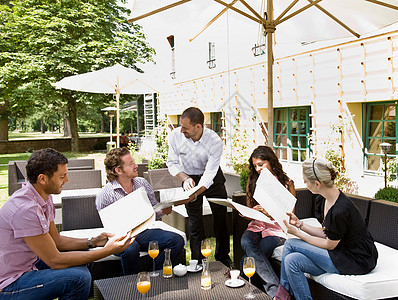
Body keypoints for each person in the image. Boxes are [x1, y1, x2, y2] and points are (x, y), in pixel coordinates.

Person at [0, 148, 133, 300]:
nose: (67, 180)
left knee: (83, 261)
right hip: (8, 284)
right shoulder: (25, 210)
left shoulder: (43, 197)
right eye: (62, 176)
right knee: (79, 278)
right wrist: (108, 250)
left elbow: (57, 241)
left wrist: (93, 242)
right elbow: (54, 260)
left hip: (30, 265)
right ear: (42, 179)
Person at [275, 158, 378, 300]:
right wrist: (300, 224)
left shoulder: (340, 209)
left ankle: (282, 296)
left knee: (291, 244)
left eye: (305, 181)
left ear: (317, 184)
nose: (304, 183)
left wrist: (297, 234)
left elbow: (329, 244)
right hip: (339, 252)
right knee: (291, 260)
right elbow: (327, 233)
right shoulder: (324, 199)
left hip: (355, 259)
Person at [96, 147, 185, 275]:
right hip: (120, 237)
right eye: (131, 164)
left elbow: (153, 209)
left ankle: (155, 274)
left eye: (134, 162)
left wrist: (163, 210)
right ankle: (133, 285)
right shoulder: (105, 194)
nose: (136, 166)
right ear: (118, 170)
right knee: (131, 249)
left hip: (143, 232)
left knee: (177, 240)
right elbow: (108, 227)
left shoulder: (141, 183)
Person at [167, 107, 232, 267]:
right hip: (189, 177)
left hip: (212, 178)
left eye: (185, 128)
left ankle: (223, 258)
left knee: (220, 220)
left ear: (198, 126)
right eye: (180, 126)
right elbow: (172, 163)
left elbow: (209, 175)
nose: (181, 130)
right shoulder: (176, 136)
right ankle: (197, 260)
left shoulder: (214, 141)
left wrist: (195, 194)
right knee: (194, 222)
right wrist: (184, 178)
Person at [240, 146, 295, 298]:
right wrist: (253, 211)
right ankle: (279, 292)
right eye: (255, 165)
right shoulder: (253, 180)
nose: (257, 169)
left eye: (261, 164)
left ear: (271, 162)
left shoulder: (287, 183)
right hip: (257, 224)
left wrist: (270, 211)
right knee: (245, 241)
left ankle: (266, 291)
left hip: (276, 228)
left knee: (250, 257)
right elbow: (249, 208)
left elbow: (290, 216)